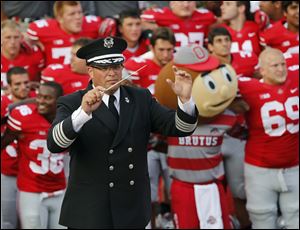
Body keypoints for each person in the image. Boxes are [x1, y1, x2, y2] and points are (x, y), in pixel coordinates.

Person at [46, 36, 198, 229]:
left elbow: (180, 128)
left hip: (131, 209)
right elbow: (54, 144)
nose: (112, 73)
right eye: (104, 68)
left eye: (117, 66)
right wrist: (83, 113)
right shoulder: (72, 102)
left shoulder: (141, 98)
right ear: (90, 71)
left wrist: (185, 101)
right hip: (89, 211)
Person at [237, 48, 299, 229]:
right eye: (274, 66)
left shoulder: (295, 78)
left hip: (294, 166)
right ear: (261, 70)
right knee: (262, 219)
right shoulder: (249, 88)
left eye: (283, 64)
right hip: (260, 169)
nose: (280, 69)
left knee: (296, 218)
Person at [124, 27, 176, 228]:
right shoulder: (138, 65)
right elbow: (123, 87)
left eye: (169, 50)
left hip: (171, 137)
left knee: (175, 188)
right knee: (148, 191)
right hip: (146, 139)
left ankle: (172, 221)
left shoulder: (178, 65)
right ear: (151, 47)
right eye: (161, 49)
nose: (165, 55)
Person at [1, 81, 66, 229]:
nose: (40, 101)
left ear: (59, 101)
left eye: (47, 98)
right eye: (39, 96)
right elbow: (4, 142)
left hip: (60, 188)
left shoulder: (67, 118)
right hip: (32, 190)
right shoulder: (23, 116)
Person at [26, 1, 116, 66]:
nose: (78, 17)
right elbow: (27, 41)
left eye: (80, 12)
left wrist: (110, 20)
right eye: (72, 14)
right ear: (60, 18)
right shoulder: (42, 29)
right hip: (57, 81)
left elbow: (109, 25)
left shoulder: (93, 24)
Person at [1, 67, 32, 229]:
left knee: (31, 222)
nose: (23, 87)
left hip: (32, 176)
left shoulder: (39, 101)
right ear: (8, 86)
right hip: (8, 171)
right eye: (17, 84)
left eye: (26, 83)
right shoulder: (3, 103)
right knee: (7, 221)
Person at [141, 1, 217, 48]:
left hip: (198, 60)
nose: (186, 5)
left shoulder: (206, 15)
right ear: (172, 3)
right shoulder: (161, 15)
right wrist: (156, 27)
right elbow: (139, 21)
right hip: (168, 61)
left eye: (189, 1)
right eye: (181, 1)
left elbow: (219, 22)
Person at [1, 19, 44, 93]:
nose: (12, 42)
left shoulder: (33, 55)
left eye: (16, 37)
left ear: (21, 38)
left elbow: (40, 82)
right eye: (8, 37)